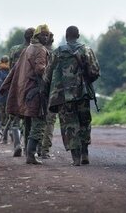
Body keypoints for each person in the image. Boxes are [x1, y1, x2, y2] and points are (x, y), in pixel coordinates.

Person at [44, 26, 100, 166]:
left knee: (69, 124)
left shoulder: (57, 52)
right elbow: (95, 72)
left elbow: (47, 75)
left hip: (63, 96)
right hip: (82, 94)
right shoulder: (86, 50)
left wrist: (46, 92)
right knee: (84, 122)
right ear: (78, 35)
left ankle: (75, 158)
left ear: (66, 36)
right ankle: (84, 153)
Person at [1, 24, 51, 165]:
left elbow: (14, 69)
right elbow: (40, 69)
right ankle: (31, 154)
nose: (46, 37)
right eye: (43, 35)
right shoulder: (40, 49)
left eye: (47, 35)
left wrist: (5, 85)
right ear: (36, 36)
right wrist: (51, 74)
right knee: (39, 122)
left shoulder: (28, 48)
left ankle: (30, 154)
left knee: (28, 121)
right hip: (36, 91)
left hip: (25, 91)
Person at [6, 27, 35, 157]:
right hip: (30, 87)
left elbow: (10, 70)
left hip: (16, 87)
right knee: (29, 118)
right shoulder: (35, 50)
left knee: (15, 118)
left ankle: (17, 144)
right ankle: (29, 149)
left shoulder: (14, 50)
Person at [38, 31, 57, 159]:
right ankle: (44, 150)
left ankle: (35, 147)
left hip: (38, 91)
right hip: (53, 92)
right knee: (50, 121)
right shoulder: (56, 54)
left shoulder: (38, 52)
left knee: (38, 120)